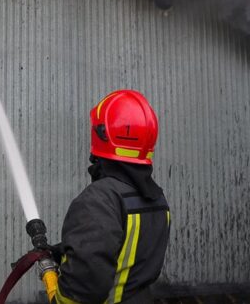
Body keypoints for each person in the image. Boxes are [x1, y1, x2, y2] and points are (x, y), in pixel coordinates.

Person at [41, 90, 171, 304]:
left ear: (101, 134)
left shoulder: (99, 200)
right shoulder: (157, 200)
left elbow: (82, 290)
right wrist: (63, 251)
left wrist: (59, 299)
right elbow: (120, 252)